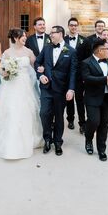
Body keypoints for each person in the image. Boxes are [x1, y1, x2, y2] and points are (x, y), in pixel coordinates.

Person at [0, 28, 42, 159]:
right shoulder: (7, 52)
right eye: (23, 36)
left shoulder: (28, 51)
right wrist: (5, 72)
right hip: (10, 85)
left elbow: (37, 64)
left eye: (25, 36)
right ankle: (9, 141)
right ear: (16, 38)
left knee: (26, 110)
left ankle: (27, 138)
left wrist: (41, 69)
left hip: (25, 85)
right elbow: (1, 68)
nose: (25, 38)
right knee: (10, 110)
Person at [35, 26, 77, 156]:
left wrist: (71, 89)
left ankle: (58, 142)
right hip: (46, 88)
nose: (50, 35)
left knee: (59, 116)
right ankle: (47, 139)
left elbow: (73, 72)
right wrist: (40, 76)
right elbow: (37, 63)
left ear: (60, 34)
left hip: (61, 89)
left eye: (52, 33)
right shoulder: (47, 48)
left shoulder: (71, 51)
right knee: (44, 113)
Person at [82, 38, 108, 161]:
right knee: (93, 121)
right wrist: (104, 79)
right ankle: (88, 139)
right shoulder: (86, 62)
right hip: (92, 98)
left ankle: (102, 150)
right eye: (107, 48)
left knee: (104, 124)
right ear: (99, 50)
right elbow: (86, 79)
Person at [74, 19, 106, 135]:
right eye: (98, 26)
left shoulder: (107, 41)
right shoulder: (88, 40)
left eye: (102, 26)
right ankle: (82, 123)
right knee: (80, 99)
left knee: (94, 100)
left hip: (99, 78)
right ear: (95, 27)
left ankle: (94, 121)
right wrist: (82, 73)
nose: (100, 27)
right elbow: (79, 56)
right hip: (85, 75)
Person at [64, 17, 85, 131]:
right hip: (67, 75)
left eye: (75, 25)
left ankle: (82, 123)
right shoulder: (63, 40)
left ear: (77, 26)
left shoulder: (84, 40)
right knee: (69, 99)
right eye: (71, 25)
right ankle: (70, 120)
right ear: (68, 26)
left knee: (80, 100)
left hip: (79, 75)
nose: (73, 27)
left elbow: (87, 59)